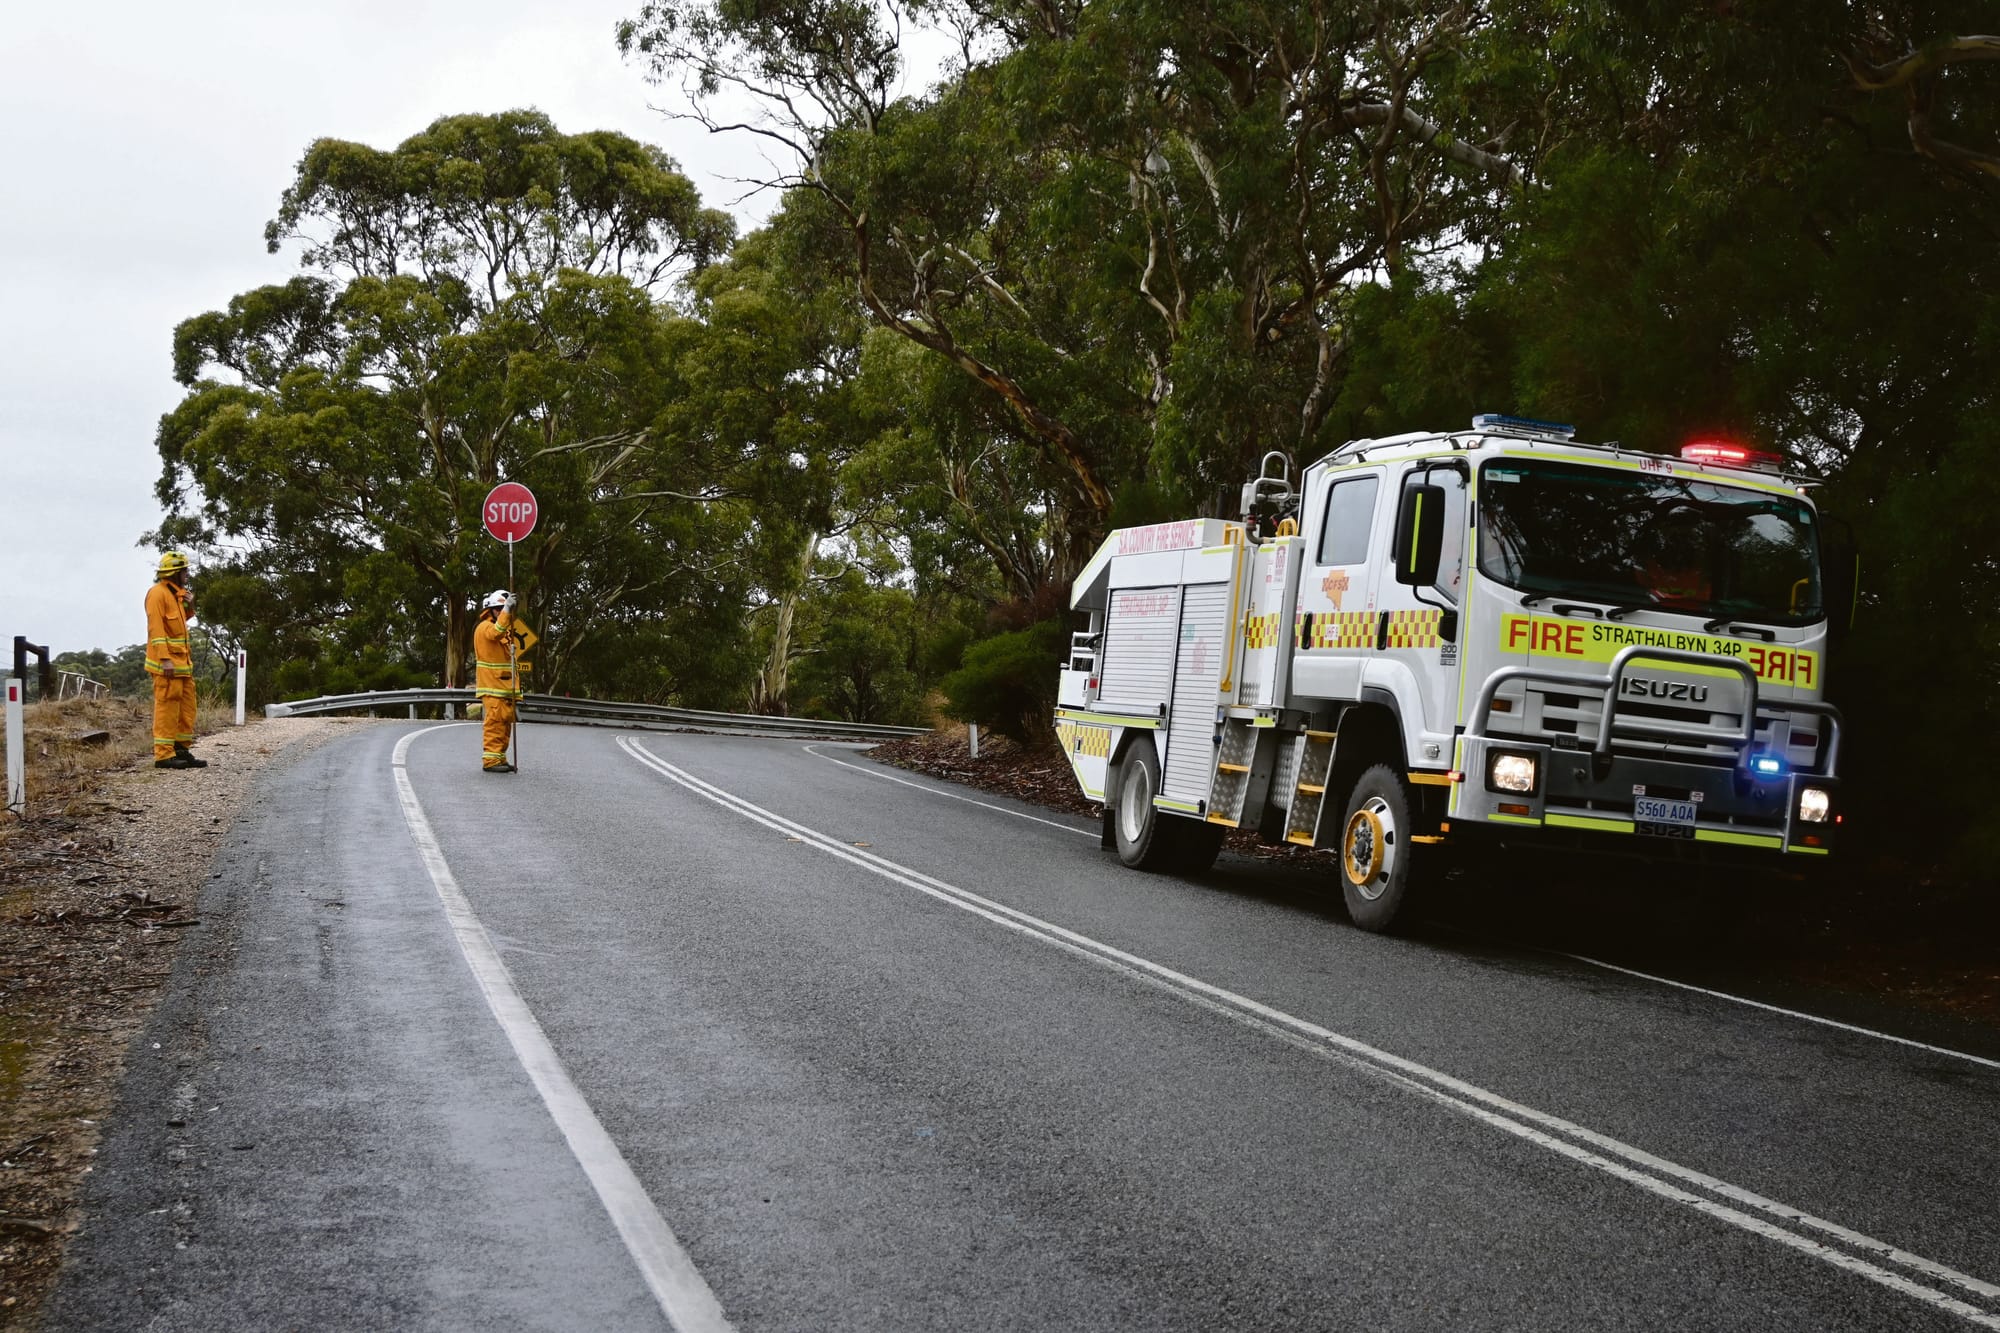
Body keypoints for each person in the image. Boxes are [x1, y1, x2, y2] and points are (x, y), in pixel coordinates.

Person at [145, 552, 207, 770]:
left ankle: (180, 749)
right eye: (185, 570)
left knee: (187, 709)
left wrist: (190, 606)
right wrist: (165, 659)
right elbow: (157, 630)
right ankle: (163, 755)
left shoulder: (175, 595)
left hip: (183, 666)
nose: (188, 574)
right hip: (167, 666)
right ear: (174, 572)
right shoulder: (157, 594)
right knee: (167, 709)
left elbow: (179, 623)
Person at [472, 589, 538, 773]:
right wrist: (508, 608)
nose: (503, 611)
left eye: (504, 608)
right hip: (493, 686)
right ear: (491, 610)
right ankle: (490, 761)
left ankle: (499, 757)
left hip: (503, 687)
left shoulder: (504, 630)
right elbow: (496, 632)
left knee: (504, 725)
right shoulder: (485, 627)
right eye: (499, 608)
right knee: (494, 723)